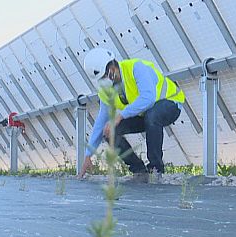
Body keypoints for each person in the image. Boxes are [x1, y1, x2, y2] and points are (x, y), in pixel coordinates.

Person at [78, 48, 184, 181]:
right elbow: (101, 122)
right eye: (102, 78)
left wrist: (120, 116)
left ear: (112, 65)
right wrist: (88, 155)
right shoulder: (105, 89)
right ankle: (139, 170)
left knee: (152, 116)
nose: (106, 79)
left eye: (106, 75)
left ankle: (156, 170)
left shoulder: (136, 68)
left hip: (171, 103)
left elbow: (148, 97)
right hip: (144, 114)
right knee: (109, 130)